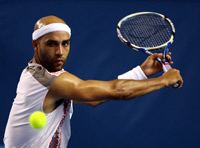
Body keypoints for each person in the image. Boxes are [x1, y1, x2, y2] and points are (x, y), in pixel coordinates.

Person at [3, 15, 183, 148]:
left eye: (65, 43)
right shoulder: (47, 80)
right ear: (36, 44)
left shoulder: (47, 74)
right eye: (51, 44)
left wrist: (142, 72)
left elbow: (92, 99)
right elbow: (117, 91)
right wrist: (163, 81)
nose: (60, 51)